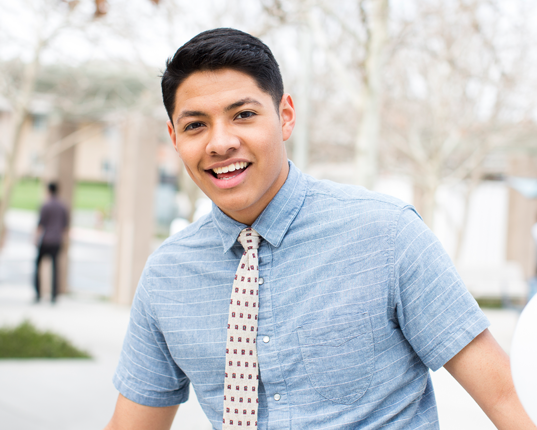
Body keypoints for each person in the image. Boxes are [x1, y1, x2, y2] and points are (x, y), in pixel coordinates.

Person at [105, 28, 536, 429]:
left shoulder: (386, 236)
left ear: (285, 116)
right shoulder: (167, 276)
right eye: (195, 125)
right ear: (175, 137)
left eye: (243, 114)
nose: (220, 143)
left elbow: (507, 399)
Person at [34, 182, 69, 303]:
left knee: (37, 266)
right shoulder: (63, 207)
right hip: (56, 241)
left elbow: (40, 224)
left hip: (45, 240)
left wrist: (35, 239)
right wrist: (65, 242)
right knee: (55, 268)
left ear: (48, 191)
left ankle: (38, 294)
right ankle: (54, 295)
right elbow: (65, 227)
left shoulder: (46, 205)